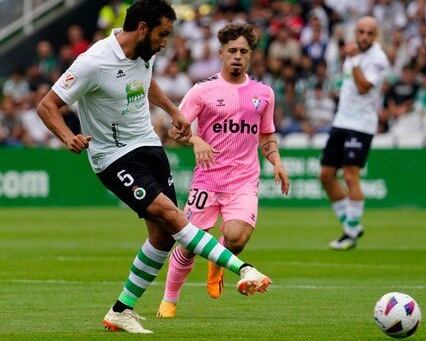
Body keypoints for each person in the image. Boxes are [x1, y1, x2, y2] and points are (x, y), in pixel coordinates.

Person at [36, 0, 271, 334]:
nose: (166, 42)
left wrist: (174, 110)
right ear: (143, 28)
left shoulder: (145, 52)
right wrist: (67, 136)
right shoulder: (94, 62)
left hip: (149, 146)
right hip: (114, 158)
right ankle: (245, 269)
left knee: (162, 236)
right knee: (175, 218)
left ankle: (121, 311)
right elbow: (46, 105)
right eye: (163, 34)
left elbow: (144, 82)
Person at [157, 23, 289, 318]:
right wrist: (195, 139)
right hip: (207, 179)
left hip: (243, 180)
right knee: (189, 243)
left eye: (244, 51)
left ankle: (216, 262)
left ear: (251, 55)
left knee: (236, 237)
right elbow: (175, 131)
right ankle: (169, 299)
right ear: (221, 53)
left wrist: (277, 161)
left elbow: (266, 136)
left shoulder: (263, 93)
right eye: (232, 51)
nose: (238, 56)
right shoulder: (202, 91)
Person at [319, 16, 389, 250]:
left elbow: (363, 87)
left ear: (376, 35)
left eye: (369, 33)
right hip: (341, 121)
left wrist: (355, 59)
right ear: (355, 32)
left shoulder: (378, 59)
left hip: (361, 126)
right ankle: (351, 224)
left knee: (350, 176)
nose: (364, 37)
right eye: (361, 32)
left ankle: (349, 233)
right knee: (326, 175)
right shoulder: (353, 55)